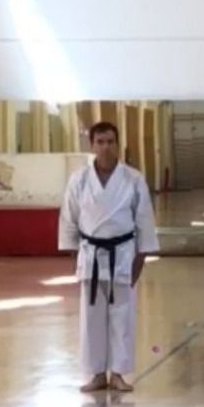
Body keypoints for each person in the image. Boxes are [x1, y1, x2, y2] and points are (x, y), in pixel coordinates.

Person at [59, 122, 160, 393]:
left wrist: (141, 258)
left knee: (122, 315)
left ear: (118, 144)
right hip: (90, 254)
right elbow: (69, 220)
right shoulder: (79, 180)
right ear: (92, 145)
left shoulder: (133, 179)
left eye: (111, 141)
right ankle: (95, 374)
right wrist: (74, 256)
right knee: (91, 318)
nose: (106, 147)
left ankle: (118, 373)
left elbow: (144, 223)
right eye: (100, 142)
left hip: (124, 254)